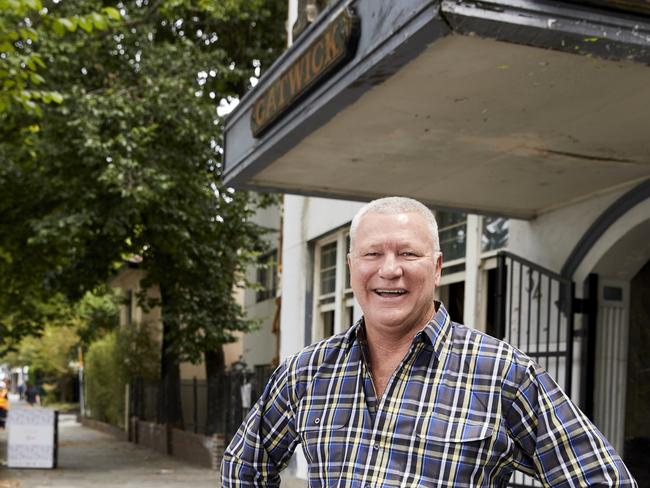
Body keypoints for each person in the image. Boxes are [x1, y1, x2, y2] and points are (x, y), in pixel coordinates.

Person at [222, 196, 636, 487]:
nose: (389, 270)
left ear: (436, 268)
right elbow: (243, 467)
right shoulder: (306, 372)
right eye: (371, 254)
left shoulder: (502, 373)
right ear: (350, 268)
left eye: (408, 254)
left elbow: (602, 479)